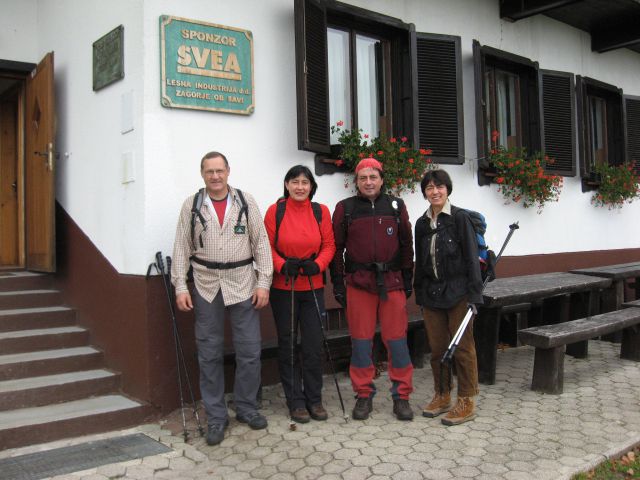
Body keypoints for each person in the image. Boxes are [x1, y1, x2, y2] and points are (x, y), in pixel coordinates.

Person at [171, 151, 273, 446]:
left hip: (243, 282)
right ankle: (216, 416)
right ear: (202, 174)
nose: (215, 176)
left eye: (219, 170)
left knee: (250, 350)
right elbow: (181, 247)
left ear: (228, 171)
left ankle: (246, 407)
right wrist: (180, 286)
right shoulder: (191, 205)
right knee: (209, 352)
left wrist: (264, 281)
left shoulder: (245, 201)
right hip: (205, 284)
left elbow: (261, 242)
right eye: (209, 171)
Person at [330, 157, 415, 421]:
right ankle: (363, 393)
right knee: (361, 342)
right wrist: (338, 284)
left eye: (373, 177)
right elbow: (336, 250)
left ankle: (401, 395)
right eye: (363, 178)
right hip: (359, 284)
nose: (368, 182)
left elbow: (406, 245)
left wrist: (408, 279)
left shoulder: (396, 206)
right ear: (356, 181)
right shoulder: (346, 209)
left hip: (392, 283)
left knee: (397, 341)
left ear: (381, 179)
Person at [264, 165, 336, 423]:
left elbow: (329, 245)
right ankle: (295, 401)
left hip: (313, 286)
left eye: (305, 182)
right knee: (288, 345)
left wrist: (318, 264)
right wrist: (282, 265)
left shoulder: (321, 211)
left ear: (311, 186)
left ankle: (314, 399)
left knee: (313, 346)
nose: (300, 187)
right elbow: (266, 246)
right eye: (294, 181)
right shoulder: (276, 211)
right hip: (284, 288)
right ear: (286, 185)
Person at [413, 169, 483, 426]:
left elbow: (471, 260)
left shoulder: (460, 218)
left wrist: (475, 296)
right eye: (429, 188)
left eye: (439, 187)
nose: (435, 192)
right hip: (432, 295)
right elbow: (420, 261)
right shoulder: (421, 224)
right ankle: (442, 395)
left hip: (459, 294)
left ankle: (466, 400)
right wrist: (419, 293)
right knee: (438, 349)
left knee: (463, 348)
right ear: (424, 193)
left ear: (447, 190)